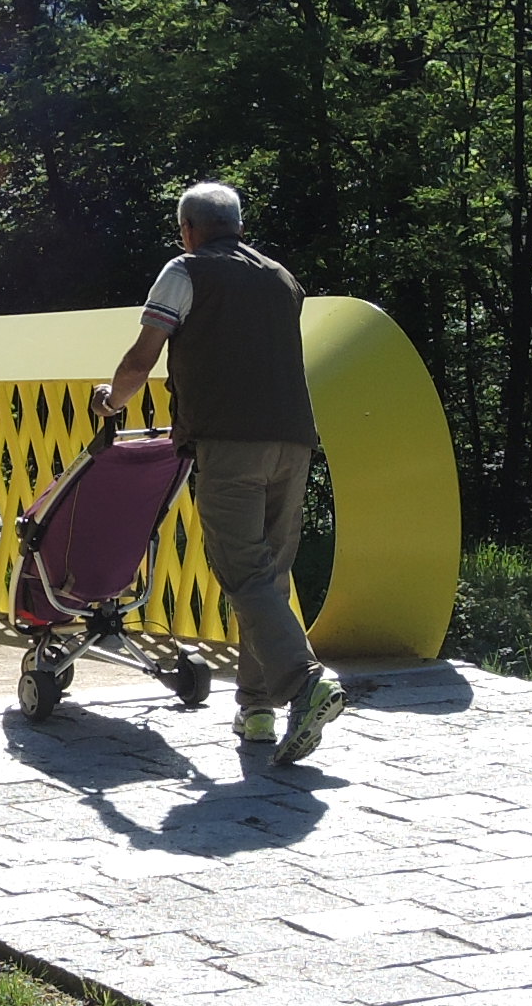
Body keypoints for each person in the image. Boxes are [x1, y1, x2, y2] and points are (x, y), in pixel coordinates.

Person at [95, 181, 349, 765]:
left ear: (188, 228)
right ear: (237, 225)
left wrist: (112, 401)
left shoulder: (185, 271)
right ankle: (256, 710)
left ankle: (306, 683)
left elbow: (143, 356)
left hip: (229, 444)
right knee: (270, 576)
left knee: (244, 574)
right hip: (294, 441)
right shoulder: (282, 277)